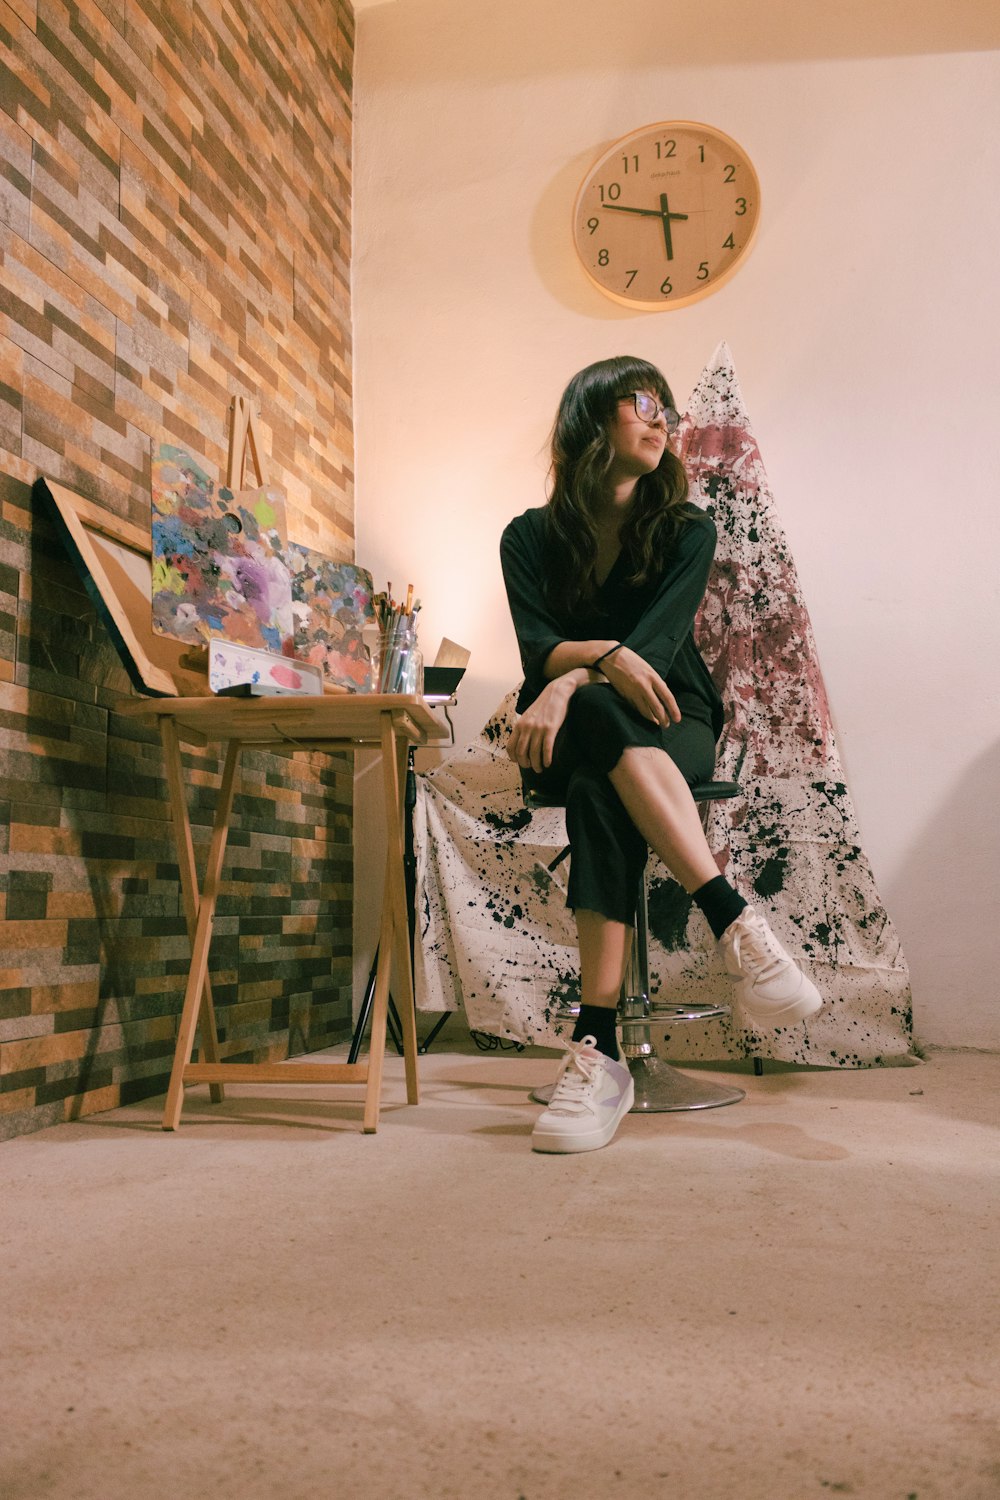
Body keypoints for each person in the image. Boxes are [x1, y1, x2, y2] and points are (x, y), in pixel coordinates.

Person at [500, 355, 821, 1155]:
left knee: (598, 791)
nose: (661, 418)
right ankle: (732, 917)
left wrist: (573, 679)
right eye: (641, 401)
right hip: (563, 725)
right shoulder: (528, 538)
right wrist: (583, 672)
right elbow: (536, 645)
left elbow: (656, 651)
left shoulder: (686, 529)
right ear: (589, 418)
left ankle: (597, 1048)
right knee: (598, 715)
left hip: (671, 715)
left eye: (666, 409)